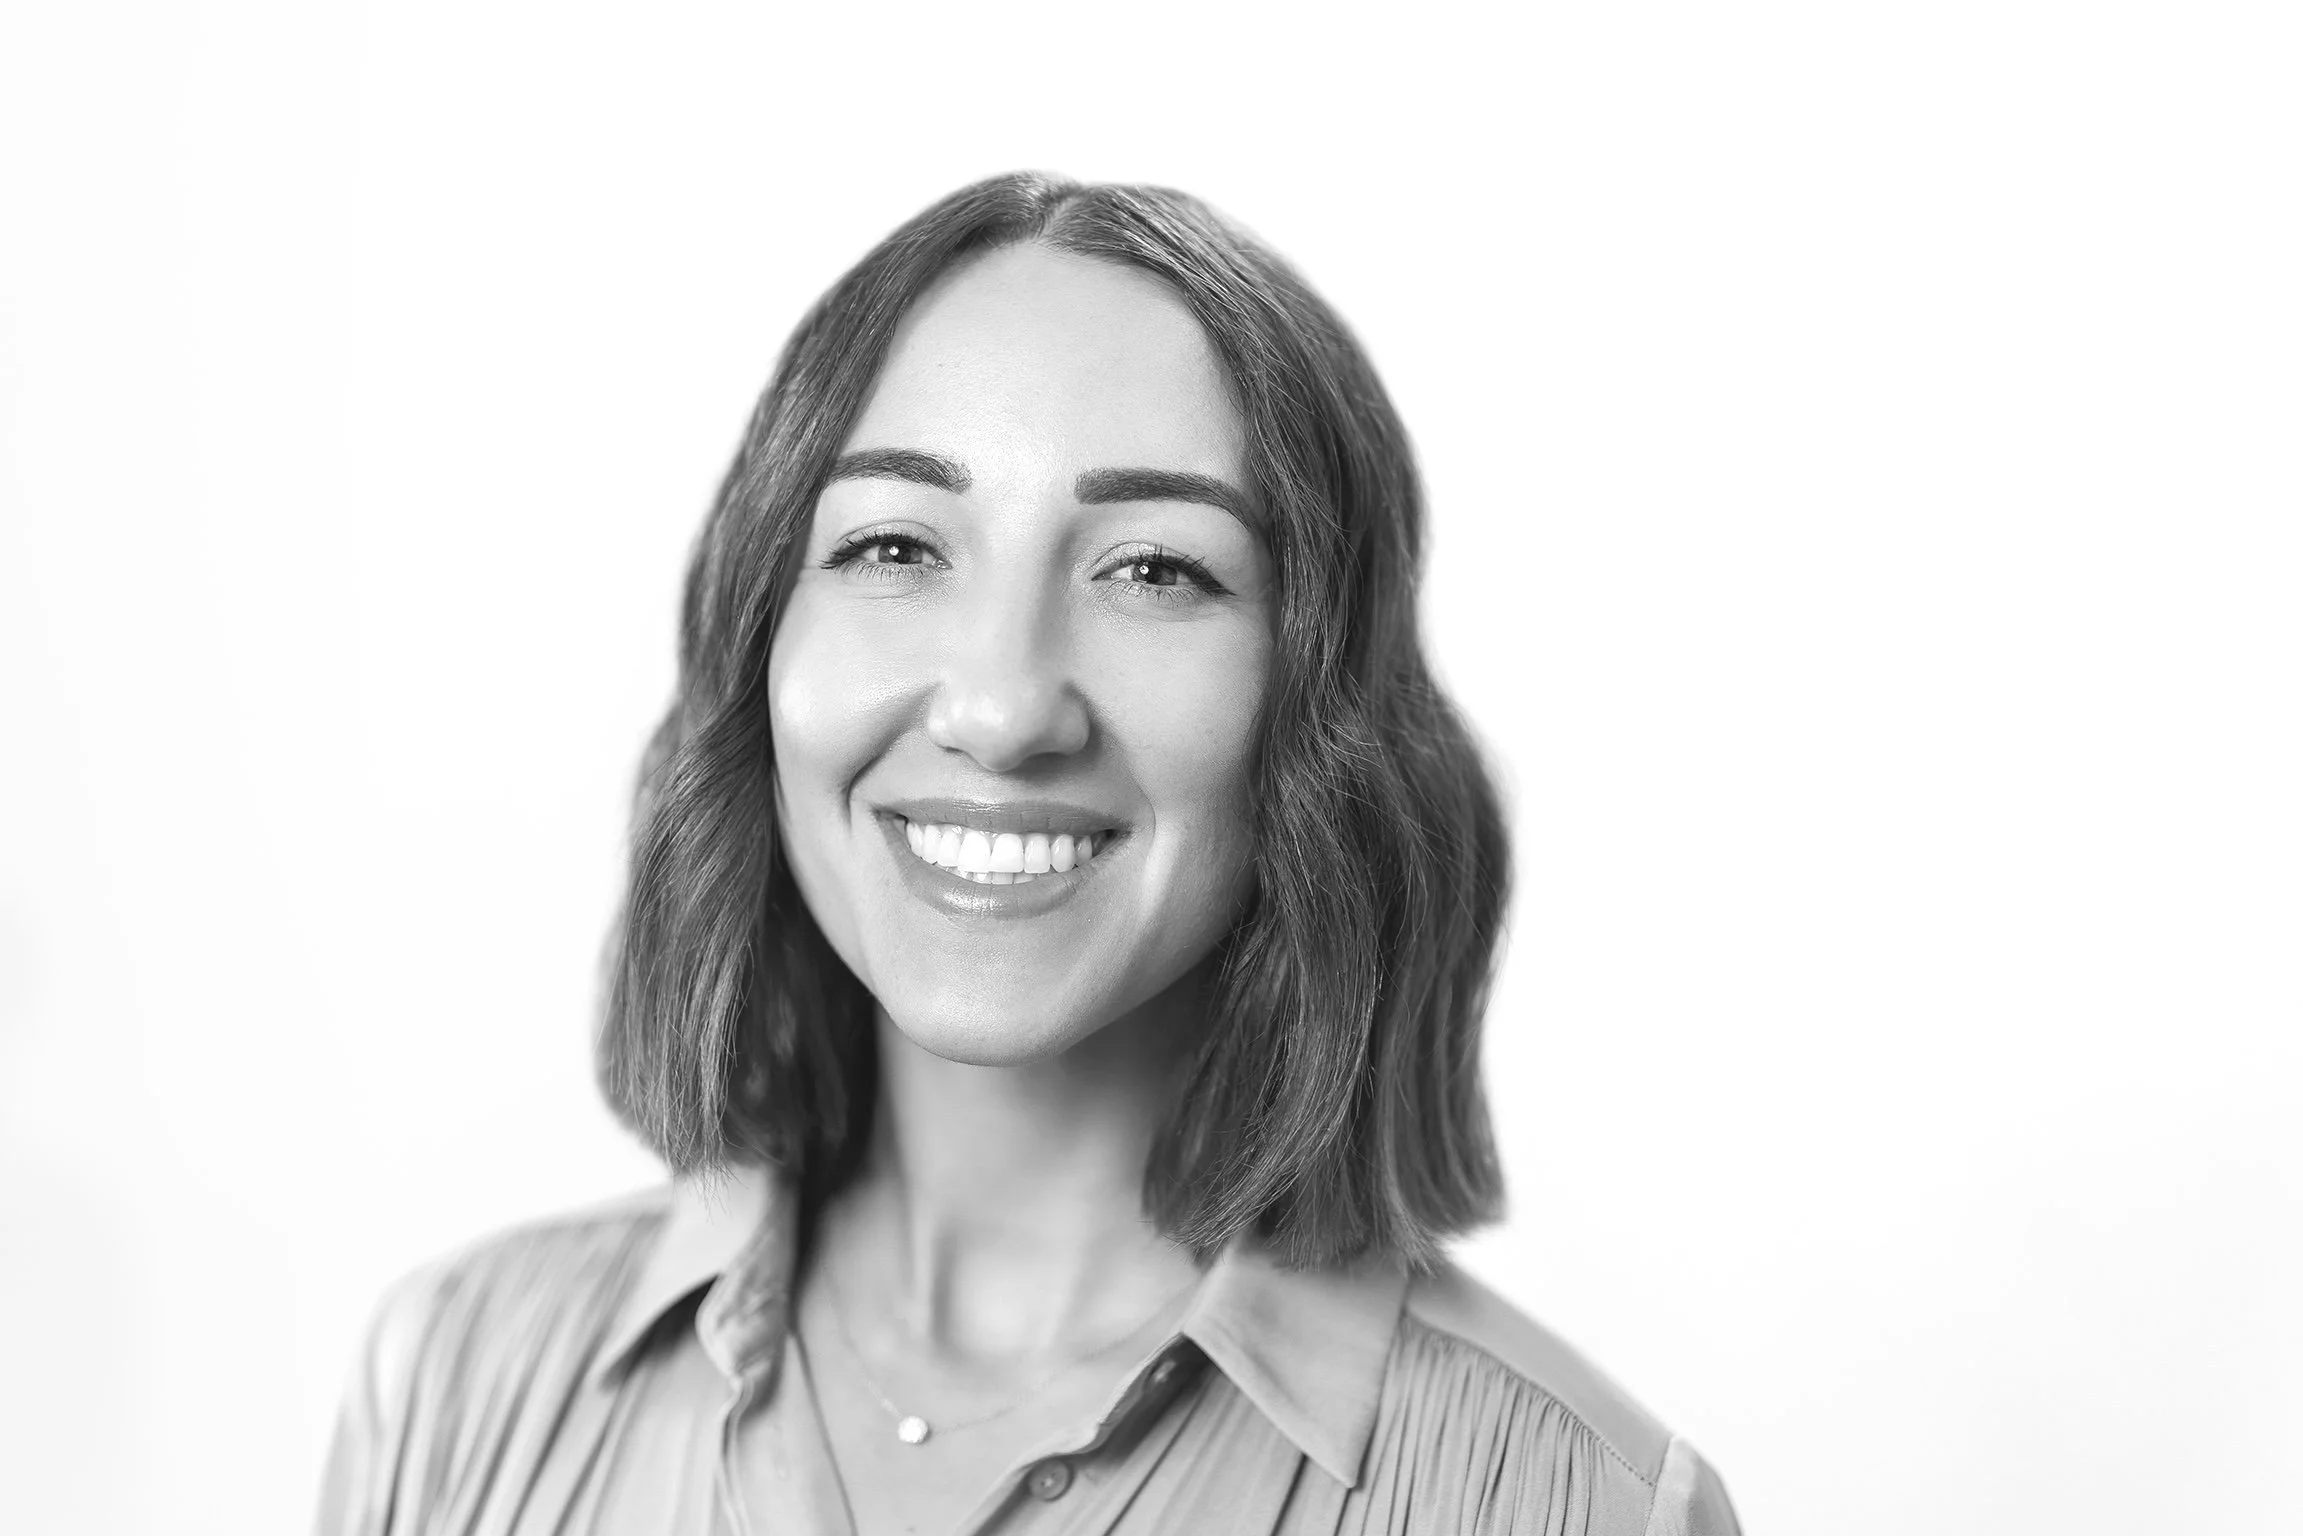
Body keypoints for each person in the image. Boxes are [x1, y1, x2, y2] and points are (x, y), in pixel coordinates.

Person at [315, 172, 1741, 1536]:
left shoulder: (1588, 1508)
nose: (1000, 709)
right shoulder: (453, 1382)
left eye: (1154, 570)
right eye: (894, 548)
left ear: (1322, 711)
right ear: (757, 644)